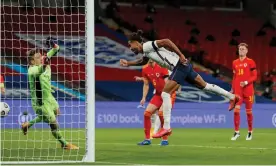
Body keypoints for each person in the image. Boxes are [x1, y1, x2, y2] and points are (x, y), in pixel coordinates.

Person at [120, 30, 240, 138]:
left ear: (136, 42)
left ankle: (166, 127)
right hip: (184, 67)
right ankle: (233, 97)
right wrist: (129, 64)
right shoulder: (146, 52)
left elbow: (166, 41)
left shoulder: (147, 45)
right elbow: (143, 61)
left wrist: (181, 55)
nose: (130, 48)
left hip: (179, 66)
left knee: (165, 93)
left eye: (130, 45)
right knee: (205, 86)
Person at [21, 38, 79, 150]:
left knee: (57, 112)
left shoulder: (44, 59)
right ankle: (64, 144)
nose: (41, 57)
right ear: (32, 61)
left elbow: (56, 49)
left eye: (41, 56)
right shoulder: (31, 70)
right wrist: (44, 64)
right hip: (40, 101)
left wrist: (52, 44)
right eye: (37, 57)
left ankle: (28, 124)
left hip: (49, 97)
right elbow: (40, 71)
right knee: (53, 123)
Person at [135, 59, 178, 145]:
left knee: (161, 114)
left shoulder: (162, 66)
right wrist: (143, 97)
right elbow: (146, 84)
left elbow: (168, 82)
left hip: (168, 94)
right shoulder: (145, 69)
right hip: (158, 95)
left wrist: (168, 94)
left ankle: (164, 139)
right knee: (147, 114)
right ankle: (147, 139)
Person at [231, 43, 257, 141]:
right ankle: (236, 132)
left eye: (243, 49)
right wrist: (233, 88)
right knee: (236, 111)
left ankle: (250, 131)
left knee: (249, 112)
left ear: (246, 51)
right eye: (240, 49)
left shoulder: (251, 62)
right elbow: (234, 77)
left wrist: (246, 82)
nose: (241, 51)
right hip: (238, 91)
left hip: (248, 90)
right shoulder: (234, 62)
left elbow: (255, 76)